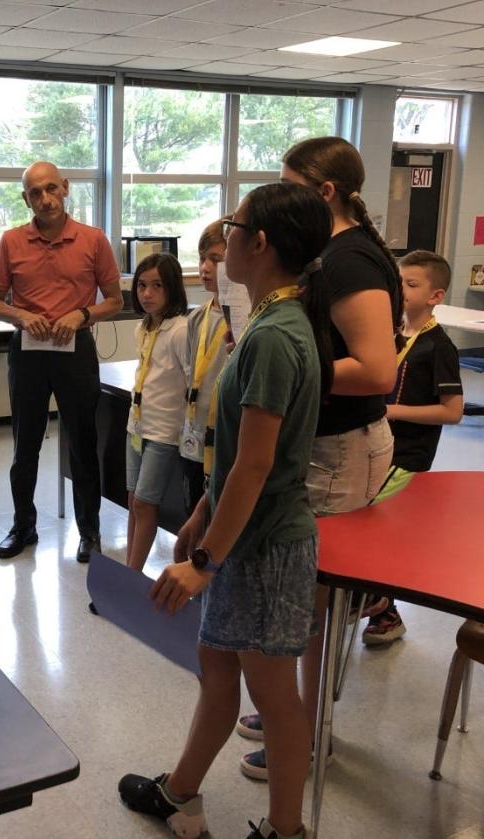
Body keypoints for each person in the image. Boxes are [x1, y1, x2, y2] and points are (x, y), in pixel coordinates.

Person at [117, 182, 335, 839]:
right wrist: (204, 510)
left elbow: (259, 464)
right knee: (216, 669)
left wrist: (205, 561)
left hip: (263, 548)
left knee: (275, 697)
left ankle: (285, 830)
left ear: (259, 242)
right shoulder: (268, 322)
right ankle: (180, 793)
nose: (224, 239)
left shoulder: (276, 336)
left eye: (234, 226)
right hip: (238, 534)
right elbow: (238, 449)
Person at [238, 136, 403, 778]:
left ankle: (303, 734)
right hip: (324, 445)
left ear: (324, 192)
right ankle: (292, 713)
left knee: (310, 605)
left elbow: (377, 368)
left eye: (289, 183)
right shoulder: (328, 254)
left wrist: (293, 372)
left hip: (341, 450)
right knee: (301, 599)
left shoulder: (349, 261)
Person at [0, 161, 123, 564]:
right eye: (34, 193)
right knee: (24, 445)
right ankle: (23, 526)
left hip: (74, 350)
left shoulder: (93, 239)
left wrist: (82, 314)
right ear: (25, 197)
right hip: (27, 352)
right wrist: (20, 315)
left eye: (51, 189)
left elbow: (114, 300)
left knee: (83, 442)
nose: (44, 199)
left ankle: (90, 533)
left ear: (65, 188)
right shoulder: (11, 241)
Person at [362, 250, 464, 645]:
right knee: (369, 527)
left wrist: (395, 412)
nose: (400, 289)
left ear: (435, 296)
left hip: (408, 456)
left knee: (365, 518)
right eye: (398, 281)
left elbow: (453, 411)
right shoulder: (388, 333)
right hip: (375, 447)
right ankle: (380, 608)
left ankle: (378, 604)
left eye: (411, 284)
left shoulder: (438, 347)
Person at [125, 252, 188, 572]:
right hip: (136, 427)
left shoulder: (180, 330)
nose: (147, 294)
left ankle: (132, 577)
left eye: (157, 286)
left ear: (172, 288)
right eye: (141, 286)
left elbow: (192, 381)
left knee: (145, 503)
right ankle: (126, 569)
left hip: (163, 431)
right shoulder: (143, 328)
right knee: (133, 500)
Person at [180, 218, 228, 516]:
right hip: (193, 434)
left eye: (216, 260)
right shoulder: (197, 318)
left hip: (224, 438)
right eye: (202, 259)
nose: (205, 267)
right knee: (192, 513)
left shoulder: (246, 320)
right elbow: (189, 372)